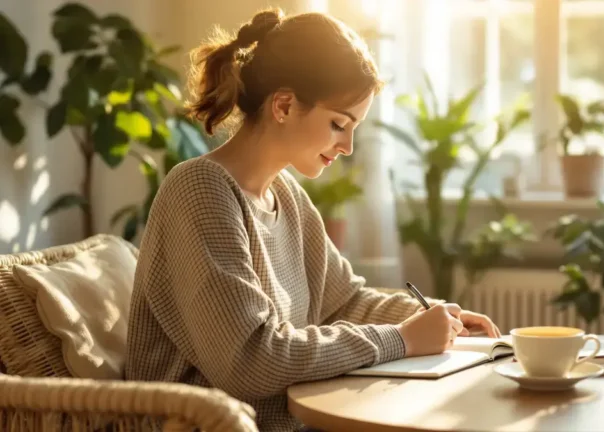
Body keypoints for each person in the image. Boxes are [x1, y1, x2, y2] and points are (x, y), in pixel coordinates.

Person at [125, 7, 502, 432]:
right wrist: (403, 339)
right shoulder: (199, 191)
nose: (348, 146)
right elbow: (250, 359)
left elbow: (343, 302)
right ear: (284, 105)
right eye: (339, 124)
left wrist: (428, 317)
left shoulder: (287, 196)